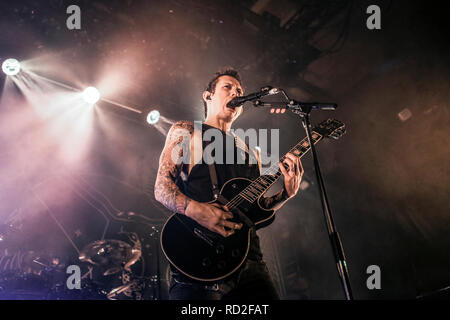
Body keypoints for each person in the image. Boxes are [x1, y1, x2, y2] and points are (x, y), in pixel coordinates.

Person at [154, 67, 303, 300]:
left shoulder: (249, 152)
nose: (236, 93)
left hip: (250, 259)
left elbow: (254, 212)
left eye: (240, 91)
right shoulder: (187, 131)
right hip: (198, 257)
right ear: (208, 96)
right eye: (228, 87)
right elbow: (161, 187)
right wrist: (196, 210)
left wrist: (285, 194)